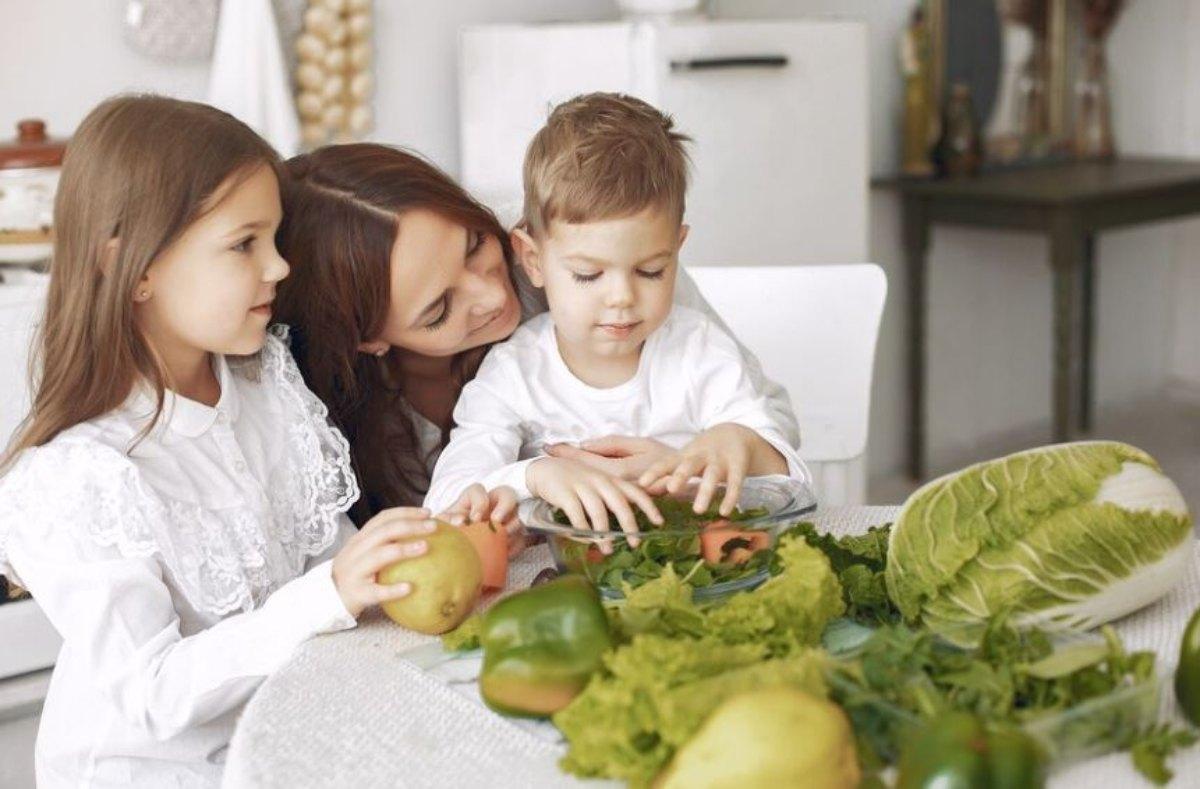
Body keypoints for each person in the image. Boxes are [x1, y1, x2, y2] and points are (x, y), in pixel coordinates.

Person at [0, 95, 440, 788]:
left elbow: (336, 560)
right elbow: (154, 693)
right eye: (245, 244)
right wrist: (330, 591)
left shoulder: (266, 386)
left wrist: (422, 549)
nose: (279, 267)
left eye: (274, 238)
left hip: (282, 745)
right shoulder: (78, 476)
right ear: (133, 268)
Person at [274, 129, 801, 531]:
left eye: (476, 245)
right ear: (370, 340)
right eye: (438, 310)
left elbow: (767, 429)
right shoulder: (509, 371)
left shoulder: (595, 246)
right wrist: (532, 478)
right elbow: (448, 509)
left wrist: (696, 457)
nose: (492, 295)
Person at [423, 93, 808, 537]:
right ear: (532, 260)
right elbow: (444, 499)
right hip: (565, 585)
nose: (622, 297)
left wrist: (744, 444)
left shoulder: (698, 349)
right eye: (588, 275)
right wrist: (534, 475)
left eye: (651, 270)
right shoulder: (515, 371)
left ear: (677, 248)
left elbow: (791, 481)